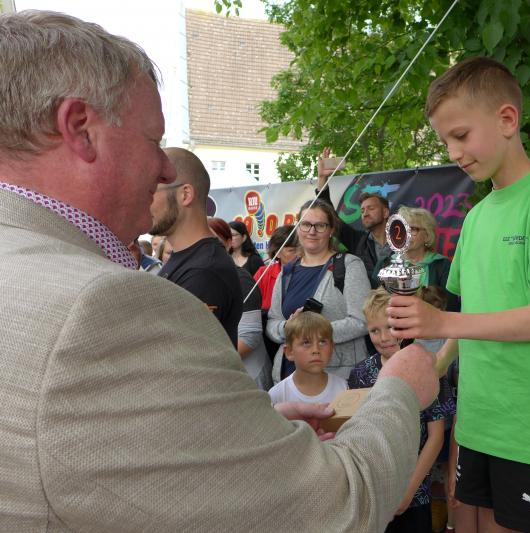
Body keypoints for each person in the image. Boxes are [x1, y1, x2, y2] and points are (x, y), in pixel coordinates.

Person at [0, 11, 440, 531]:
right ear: (80, 129)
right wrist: (399, 391)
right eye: (153, 140)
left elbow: (111, 461)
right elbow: (334, 506)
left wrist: (242, 435)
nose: (166, 168)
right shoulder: (102, 305)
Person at [386, 56, 530, 533]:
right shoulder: (476, 217)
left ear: (507, 119)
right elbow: (472, 317)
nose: (453, 152)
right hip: (481, 422)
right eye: (445, 141)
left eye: (461, 135)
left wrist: (441, 322)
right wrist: (431, 366)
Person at [350, 288, 447, 533]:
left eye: (390, 328)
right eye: (374, 330)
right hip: (374, 494)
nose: (383, 337)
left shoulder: (424, 366)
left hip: (414, 493)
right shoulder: (360, 373)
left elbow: (436, 436)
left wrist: (409, 490)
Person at [267, 200, 371, 383]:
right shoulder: (287, 272)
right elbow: (272, 322)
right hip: (288, 376)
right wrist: (287, 327)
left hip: (336, 377)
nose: (312, 231)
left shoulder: (350, 266)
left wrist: (309, 332)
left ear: (331, 230)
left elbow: (362, 321)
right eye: (306, 224)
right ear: (298, 228)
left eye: (320, 225)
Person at [151, 147, 242, 347]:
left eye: (151, 190)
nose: (144, 199)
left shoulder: (204, 272)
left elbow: (178, 353)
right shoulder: (188, 260)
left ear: (185, 194)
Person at [208, 217, 271, 390]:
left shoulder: (240, 279)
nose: (207, 248)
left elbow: (249, 337)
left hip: (247, 376)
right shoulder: (195, 276)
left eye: (215, 241)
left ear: (229, 243)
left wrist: (211, 363)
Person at [316, 147, 392, 288]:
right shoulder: (358, 241)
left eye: (371, 208)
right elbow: (329, 215)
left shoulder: (403, 241)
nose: (365, 213)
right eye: (362, 210)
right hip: (367, 301)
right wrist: (322, 179)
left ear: (385, 212)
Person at [378, 205, 459, 311]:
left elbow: (451, 307)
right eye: (402, 228)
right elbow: (375, 306)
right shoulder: (384, 264)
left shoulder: (442, 265)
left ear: (427, 235)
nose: (406, 234)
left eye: (412, 229)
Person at [268, 312, 347, 405]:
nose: (316, 350)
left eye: (322, 342)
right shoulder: (277, 395)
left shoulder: (343, 388)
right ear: (289, 352)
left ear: (332, 348)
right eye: (306, 343)